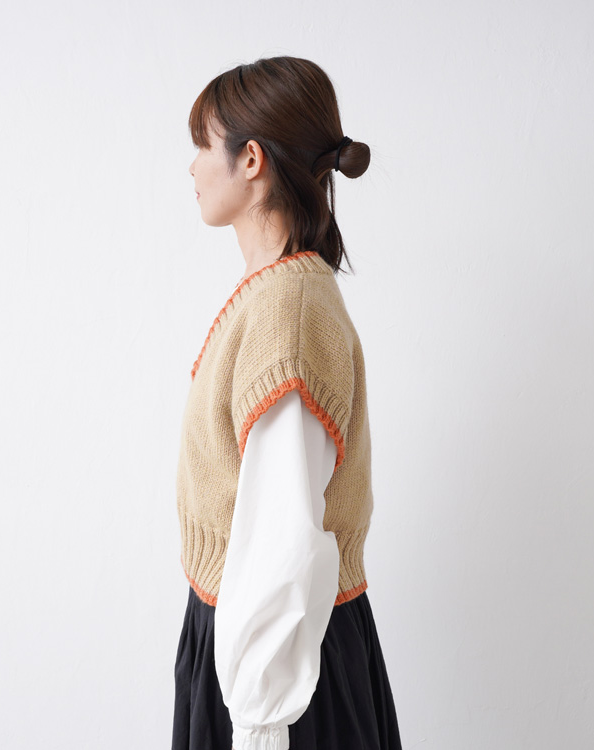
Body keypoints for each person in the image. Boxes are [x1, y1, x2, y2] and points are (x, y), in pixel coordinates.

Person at [172, 56, 402, 750]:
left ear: (250, 160)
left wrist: (261, 723)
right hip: (265, 652)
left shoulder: (288, 313)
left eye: (202, 145)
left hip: (285, 679)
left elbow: (281, 542)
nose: (191, 167)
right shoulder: (279, 294)